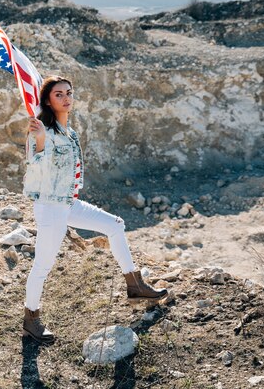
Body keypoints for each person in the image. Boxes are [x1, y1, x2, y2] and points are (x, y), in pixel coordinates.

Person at [22, 75, 167, 343]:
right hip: (51, 207)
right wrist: (40, 140)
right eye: (59, 95)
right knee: (42, 266)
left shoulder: (70, 133)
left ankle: (134, 286)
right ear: (47, 100)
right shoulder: (39, 131)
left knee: (115, 224)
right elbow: (35, 169)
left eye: (69, 93)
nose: (66, 98)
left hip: (68, 203)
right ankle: (31, 319)